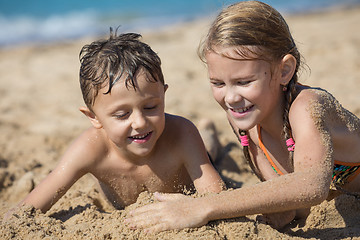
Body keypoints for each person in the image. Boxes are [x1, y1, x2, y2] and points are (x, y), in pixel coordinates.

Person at [125, 0, 360, 232]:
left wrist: (203, 206)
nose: (230, 98)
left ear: (284, 70)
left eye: (244, 82)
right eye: (218, 83)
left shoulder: (308, 107)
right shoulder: (245, 118)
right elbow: (289, 200)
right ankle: (209, 136)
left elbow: (311, 185)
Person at [4, 30, 224, 220]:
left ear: (163, 96)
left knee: (209, 151)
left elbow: (216, 196)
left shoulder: (182, 134)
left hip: (197, 157)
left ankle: (208, 132)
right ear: (94, 118)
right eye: (121, 115)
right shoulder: (90, 149)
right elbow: (27, 209)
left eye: (150, 108)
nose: (139, 122)